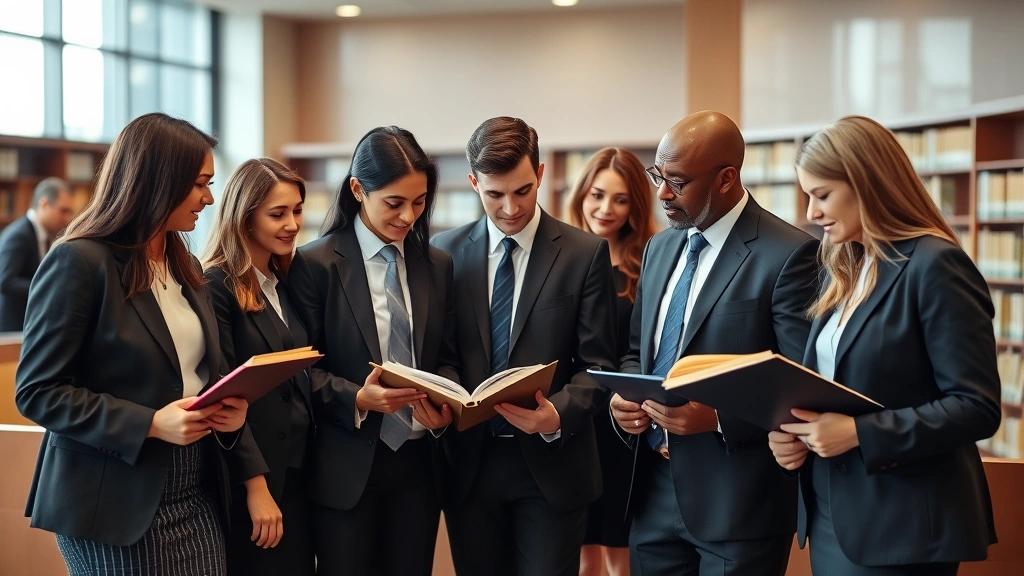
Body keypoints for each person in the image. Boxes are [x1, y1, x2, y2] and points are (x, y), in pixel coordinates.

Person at [14, 112, 266, 576]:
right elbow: (36, 392)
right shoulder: (78, 261)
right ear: (157, 181)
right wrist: (148, 423)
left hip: (196, 485)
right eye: (200, 184)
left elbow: (203, 373)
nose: (210, 199)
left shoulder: (183, 261)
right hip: (114, 500)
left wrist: (230, 412)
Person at [768, 115, 1000, 576]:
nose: (811, 213)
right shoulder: (847, 268)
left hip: (903, 526)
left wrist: (858, 433)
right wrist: (793, 436)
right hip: (836, 515)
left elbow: (977, 406)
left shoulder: (935, 266)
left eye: (822, 195)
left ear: (866, 183)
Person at [608, 110, 819, 576]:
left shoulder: (789, 254)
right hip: (653, 490)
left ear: (726, 179)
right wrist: (622, 400)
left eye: (677, 182)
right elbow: (636, 350)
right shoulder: (660, 247)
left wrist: (720, 419)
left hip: (738, 502)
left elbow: (801, 383)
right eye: (658, 175)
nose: (661, 193)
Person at [432, 116, 618, 576]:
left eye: (522, 190)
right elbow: (443, 356)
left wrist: (557, 414)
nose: (511, 208)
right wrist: (449, 399)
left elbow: (599, 364)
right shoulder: (443, 254)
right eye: (495, 194)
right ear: (474, 183)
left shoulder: (584, 253)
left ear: (540, 173)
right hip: (471, 466)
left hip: (553, 463)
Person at [288, 126, 458, 576]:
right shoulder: (314, 264)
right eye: (395, 203)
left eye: (419, 202)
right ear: (358, 190)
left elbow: (446, 355)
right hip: (346, 463)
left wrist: (446, 399)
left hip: (418, 463)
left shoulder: (436, 263)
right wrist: (356, 398)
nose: (408, 217)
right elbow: (299, 370)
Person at [203, 158, 316, 576]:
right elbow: (224, 394)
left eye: (297, 210)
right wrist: (256, 486)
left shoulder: (284, 280)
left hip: (299, 471)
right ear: (244, 217)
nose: (292, 224)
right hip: (259, 478)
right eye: (278, 214)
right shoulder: (216, 284)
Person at [565, 147, 656, 576]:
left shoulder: (649, 265)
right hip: (573, 419)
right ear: (581, 194)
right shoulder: (561, 260)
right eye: (597, 195)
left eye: (620, 199)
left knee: (621, 552)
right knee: (581, 553)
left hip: (625, 423)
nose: (605, 209)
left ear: (636, 206)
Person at [0, 177, 75, 331]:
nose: (68, 219)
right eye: (63, 210)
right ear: (44, 204)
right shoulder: (19, 235)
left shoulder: (50, 235)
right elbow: (4, 282)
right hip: (12, 327)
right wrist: (48, 286)